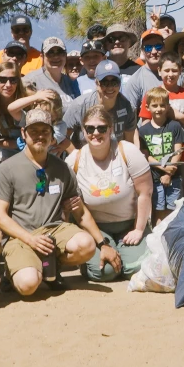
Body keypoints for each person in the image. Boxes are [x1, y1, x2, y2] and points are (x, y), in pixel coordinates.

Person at [0, 107, 115, 296]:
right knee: (28, 285)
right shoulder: (7, 168)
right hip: (21, 236)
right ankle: (14, 271)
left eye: (45, 131)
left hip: (54, 231)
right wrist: (30, 239)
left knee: (86, 245)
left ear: (52, 135)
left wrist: (102, 243)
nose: (40, 136)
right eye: (34, 131)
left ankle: (51, 270)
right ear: (24, 133)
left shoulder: (62, 168)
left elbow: (80, 211)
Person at [67, 105, 154, 279]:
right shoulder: (74, 160)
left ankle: (126, 251)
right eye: (90, 128)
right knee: (103, 272)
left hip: (129, 224)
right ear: (83, 131)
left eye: (101, 128)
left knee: (133, 269)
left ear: (111, 129)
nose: (96, 133)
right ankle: (92, 259)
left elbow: (145, 193)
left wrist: (138, 229)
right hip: (97, 228)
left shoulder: (127, 151)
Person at [139, 88, 184, 212]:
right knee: (158, 211)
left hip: (174, 176)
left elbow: (178, 151)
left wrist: (168, 173)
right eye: (154, 105)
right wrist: (164, 168)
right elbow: (146, 156)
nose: (158, 109)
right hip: (154, 178)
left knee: (174, 210)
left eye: (162, 105)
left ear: (168, 107)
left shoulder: (174, 126)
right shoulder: (143, 131)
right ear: (147, 107)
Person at [66, 61, 138, 146]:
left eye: (114, 82)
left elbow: (129, 142)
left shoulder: (128, 107)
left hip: (114, 156)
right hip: (84, 155)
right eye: (105, 83)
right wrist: (77, 155)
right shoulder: (80, 105)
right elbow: (62, 135)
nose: (110, 87)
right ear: (97, 83)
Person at [28, 37, 81, 105]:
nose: (56, 57)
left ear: (65, 55)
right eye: (50, 53)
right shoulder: (31, 80)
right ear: (42, 56)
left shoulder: (70, 82)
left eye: (60, 52)